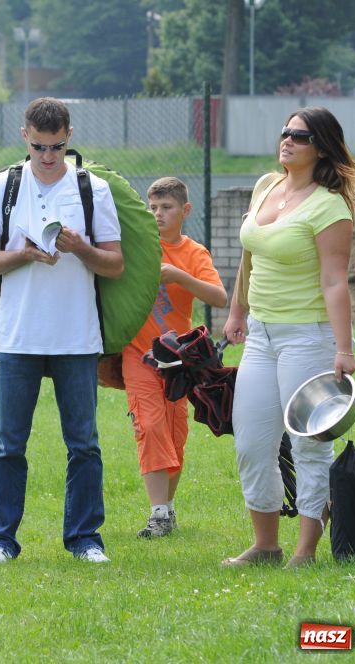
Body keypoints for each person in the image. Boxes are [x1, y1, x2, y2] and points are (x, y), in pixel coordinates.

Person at [0, 97, 124, 565]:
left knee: (84, 445)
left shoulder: (93, 189)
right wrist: (24, 254)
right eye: (39, 146)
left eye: (56, 146)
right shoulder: (2, 187)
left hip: (77, 335)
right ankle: (0, 541)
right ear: (25, 137)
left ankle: (85, 539)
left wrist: (80, 248)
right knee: (8, 445)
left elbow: (114, 265)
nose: (48, 156)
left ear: (69, 137)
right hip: (18, 335)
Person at [222, 107, 355, 568]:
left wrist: (343, 349)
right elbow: (250, 257)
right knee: (251, 443)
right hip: (261, 336)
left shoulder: (330, 206)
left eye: (300, 136)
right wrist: (237, 311)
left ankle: (305, 551)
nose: (287, 140)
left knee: (308, 444)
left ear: (321, 148)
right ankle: (265, 545)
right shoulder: (267, 186)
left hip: (308, 337)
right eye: (286, 131)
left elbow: (335, 281)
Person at [120, 177, 227, 538]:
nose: (158, 214)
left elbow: (219, 297)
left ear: (185, 211)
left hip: (178, 359)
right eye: (152, 207)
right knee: (149, 425)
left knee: (174, 433)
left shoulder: (194, 253)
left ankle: (167, 509)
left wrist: (180, 276)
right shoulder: (138, 246)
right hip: (138, 354)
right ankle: (158, 514)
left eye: (166, 207)